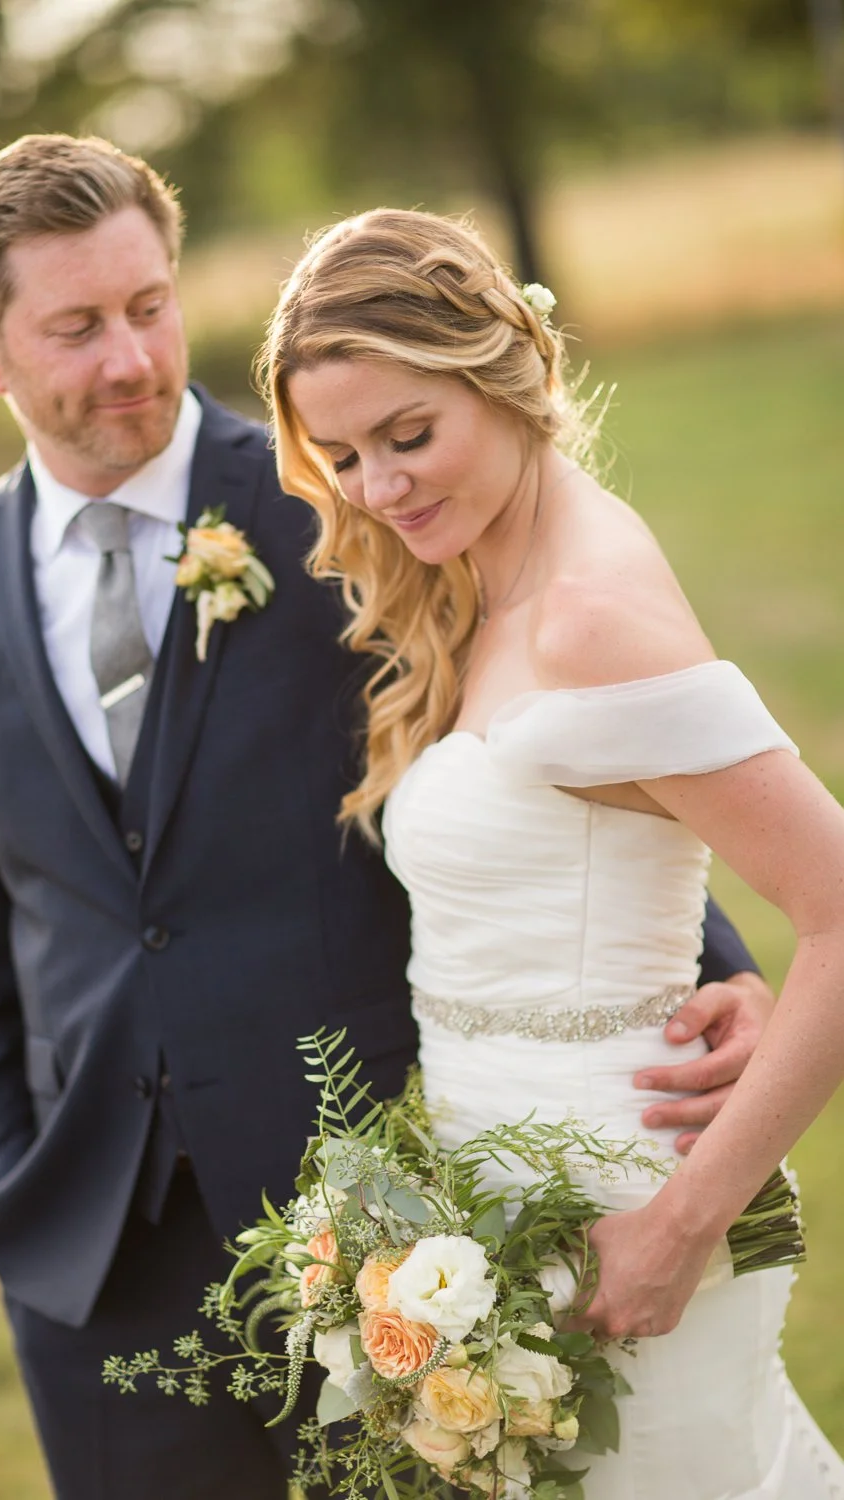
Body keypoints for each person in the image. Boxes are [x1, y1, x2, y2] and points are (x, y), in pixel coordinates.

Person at [0, 136, 771, 1500]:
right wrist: (13, 1187)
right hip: (92, 1252)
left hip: (376, 1221)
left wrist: (716, 964)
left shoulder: (347, 499)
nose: (132, 356)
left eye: (150, 304)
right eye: (76, 327)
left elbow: (540, 738)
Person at [262, 207, 844, 1499]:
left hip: (631, 1224)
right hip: (502, 1218)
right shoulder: (482, 578)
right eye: (347, 454)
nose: (380, 488)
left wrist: (677, 1230)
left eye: (411, 436)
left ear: (508, 370)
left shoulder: (589, 617)